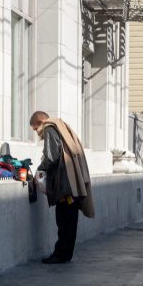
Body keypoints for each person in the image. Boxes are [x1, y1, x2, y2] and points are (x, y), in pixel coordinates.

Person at [31, 110, 95, 264]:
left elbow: (51, 156)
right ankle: (66, 254)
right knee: (71, 221)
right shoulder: (63, 127)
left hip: (65, 186)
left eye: (35, 129)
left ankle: (60, 255)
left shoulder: (49, 128)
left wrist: (39, 170)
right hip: (73, 185)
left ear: (40, 122)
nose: (36, 133)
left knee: (63, 220)